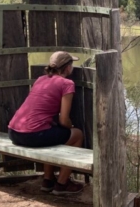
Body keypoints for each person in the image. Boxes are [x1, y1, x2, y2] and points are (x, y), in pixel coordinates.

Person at [8, 51, 84, 195]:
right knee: (77, 135)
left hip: (14, 132)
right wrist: (71, 128)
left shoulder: (40, 79)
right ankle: (62, 184)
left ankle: (48, 181)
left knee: (52, 135)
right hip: (32, 136)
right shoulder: (67, 83)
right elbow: (64, 119)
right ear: (67, 67)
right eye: (71, 64)